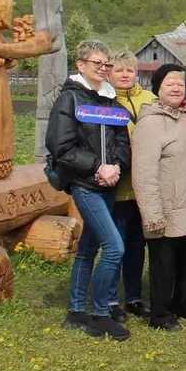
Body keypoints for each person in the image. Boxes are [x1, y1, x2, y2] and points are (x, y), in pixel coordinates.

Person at [46, 39, 132, 341]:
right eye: (96, 63)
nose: (103, 69)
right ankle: (100, 313)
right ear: (81, 65)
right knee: (115, 247)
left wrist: (117, 168)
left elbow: (122, 142)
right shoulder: (70, 99)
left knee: (88, 249)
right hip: (86, 184)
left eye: (106, 64)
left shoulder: (110, 101)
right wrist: (98, 167)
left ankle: (75, 311)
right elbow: (60, 146)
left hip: (109, 184)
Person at [131, 64, 186, 330]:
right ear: (158, 89)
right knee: (164, 264)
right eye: (169, 84)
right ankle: (160, 314)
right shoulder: (150, 123)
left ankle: (183, 303)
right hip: (165, 206)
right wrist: (152, 214)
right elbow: (143, 173)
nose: (176, 88)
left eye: (180, 84)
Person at [108, 49, 155, 323]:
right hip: (118, 185)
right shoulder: (104, 100)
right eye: (119, 70)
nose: (125, 74)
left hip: (144, 188)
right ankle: (112, 299)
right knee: (117, 244)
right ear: (110, 73)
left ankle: (134, 297)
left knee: (138, 245)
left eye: (129, 70)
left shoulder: (149, 100)